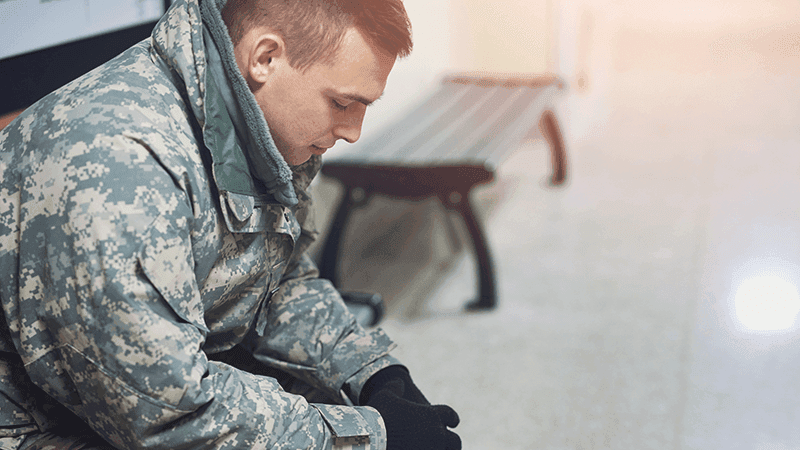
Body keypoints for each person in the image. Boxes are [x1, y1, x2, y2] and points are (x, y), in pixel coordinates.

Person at [0, 0, 462, 448]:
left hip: (135, 385)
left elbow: (275, 282)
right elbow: (171, 412)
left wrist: (373, 373)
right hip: (33, 424)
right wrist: (372, 437)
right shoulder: (117, 168)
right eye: (342, 103)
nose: (353, 131)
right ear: (265, 57)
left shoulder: (260, 124)